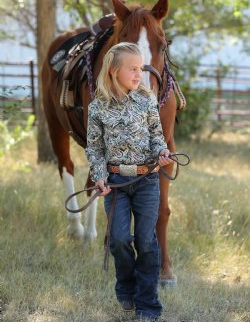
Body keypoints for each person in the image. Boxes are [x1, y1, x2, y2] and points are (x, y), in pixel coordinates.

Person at [86, 42, 172, 321]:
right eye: (133, 69)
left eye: (141, 68)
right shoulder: (98, 108)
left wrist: (161, 151)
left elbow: (157, 135)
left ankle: (148, 305)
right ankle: (126, 288)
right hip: (115, 181)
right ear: (113, 71)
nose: (139, 74)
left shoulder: (147, 100)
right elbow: (95, 148)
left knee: (146, 241)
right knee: (119, 239)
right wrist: (99, 176)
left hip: (147, 179)